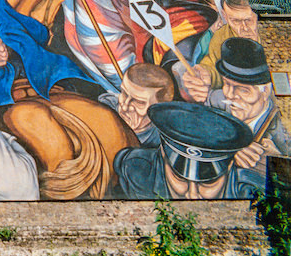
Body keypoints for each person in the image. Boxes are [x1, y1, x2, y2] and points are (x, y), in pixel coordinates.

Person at [113, 101, 262, 199]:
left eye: (208, 182)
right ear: (163, 154)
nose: (192, 195)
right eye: (180, 178)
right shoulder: (137, 169)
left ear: (229, 167)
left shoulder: (250, 189)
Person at [185, 37, 291, 166]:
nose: (229, 95)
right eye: (226, 84)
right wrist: (230, 147)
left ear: (265, 91)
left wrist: (273, 160)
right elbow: (196, 128)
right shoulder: (216, 100)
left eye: (243, 90)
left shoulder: (282, 129)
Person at [115, 63, 177, 147]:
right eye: (124, 94)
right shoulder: (103, 110)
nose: (125, 107)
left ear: (159, 110)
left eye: (139, 102)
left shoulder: (161, 146)